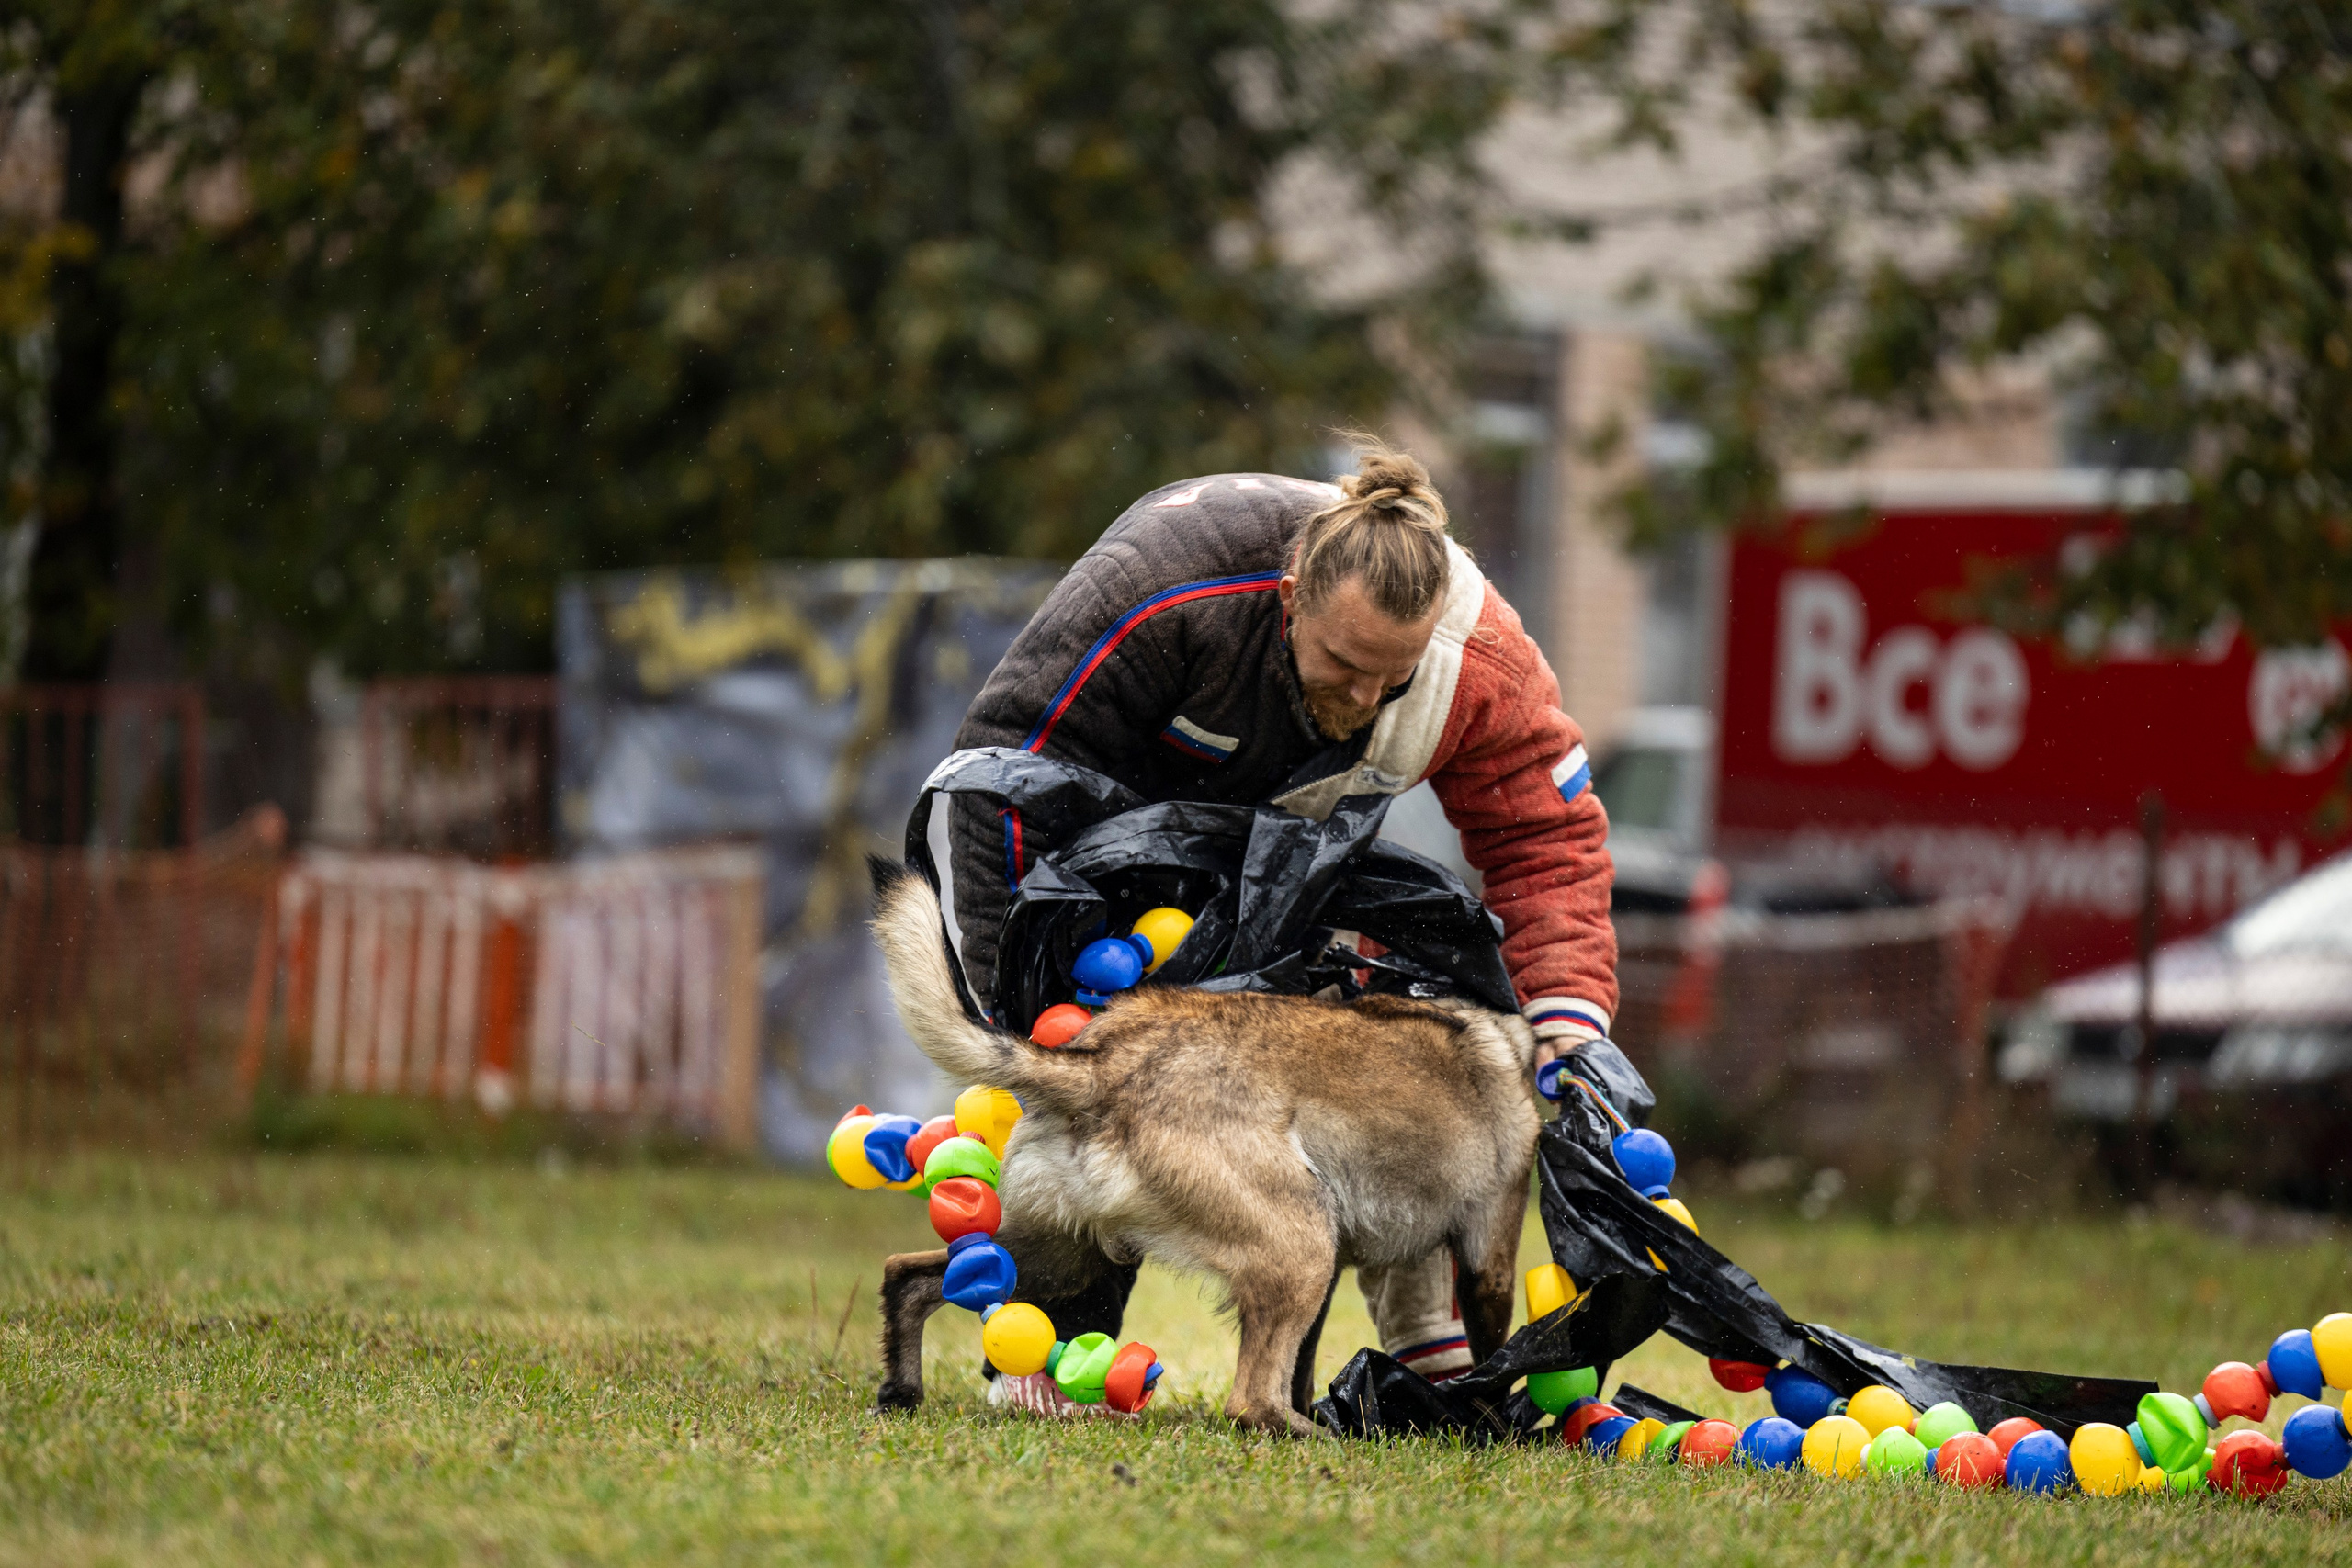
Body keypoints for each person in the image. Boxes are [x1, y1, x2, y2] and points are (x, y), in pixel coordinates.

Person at [944, 437, 1616, 1396]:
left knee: (1413, 1022)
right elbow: (1001, 774)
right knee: (1096, 1079)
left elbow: (1547, 841)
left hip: (1296, 859)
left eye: (1393, 676)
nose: (1365, 696)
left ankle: (1417, 1345)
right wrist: (1019, 988)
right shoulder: (1165, 586)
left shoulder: (1482, 662)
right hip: (1098, 858)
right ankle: (1046, 1364)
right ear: (1290, 595)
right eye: (1343, 663)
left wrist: (1567, 1018)